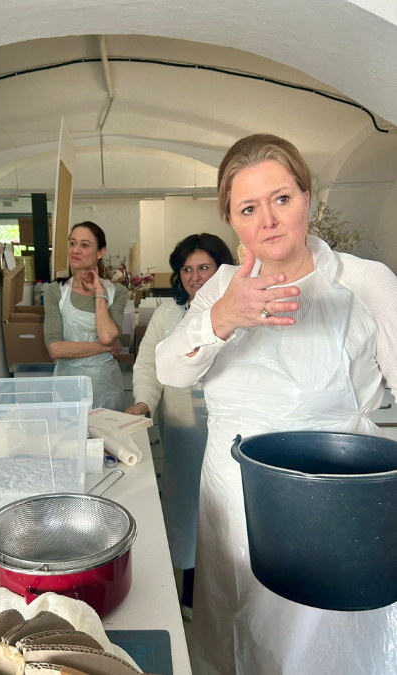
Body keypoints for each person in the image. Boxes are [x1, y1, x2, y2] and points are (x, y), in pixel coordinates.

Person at [155, 134, 397, 675]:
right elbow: (171, 370)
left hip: (333, 499)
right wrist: (223, 318)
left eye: (281, 199)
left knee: (320, 642)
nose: (268, 221)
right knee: (236, 632)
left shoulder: (364, 282)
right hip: (234, 494)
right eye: (248, 209)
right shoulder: (221, 286)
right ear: (231, 221)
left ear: (307, 197)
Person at [125, 233, 234, 618]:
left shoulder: (240, 314)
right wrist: (143, 403)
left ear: (223, 269)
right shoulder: (168, 316)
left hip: (230, 432)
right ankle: (188, 594)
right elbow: (147, 366)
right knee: (185, 510)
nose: (195, 276)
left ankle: (225, 595)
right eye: (187, 269)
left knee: (227, 512)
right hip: (183, 432)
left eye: (204, 267)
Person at [44, 221, 128, 411]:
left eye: (84, 245)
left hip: (106, 385)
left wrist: (99, 292)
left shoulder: (117, 292)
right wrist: (106, 347)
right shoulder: (55, 291)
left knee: (107, 429)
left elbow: (107, 335)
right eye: (72, 243)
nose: (75, 250)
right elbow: (55, 349)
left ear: (100, 252)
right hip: (68, 387)